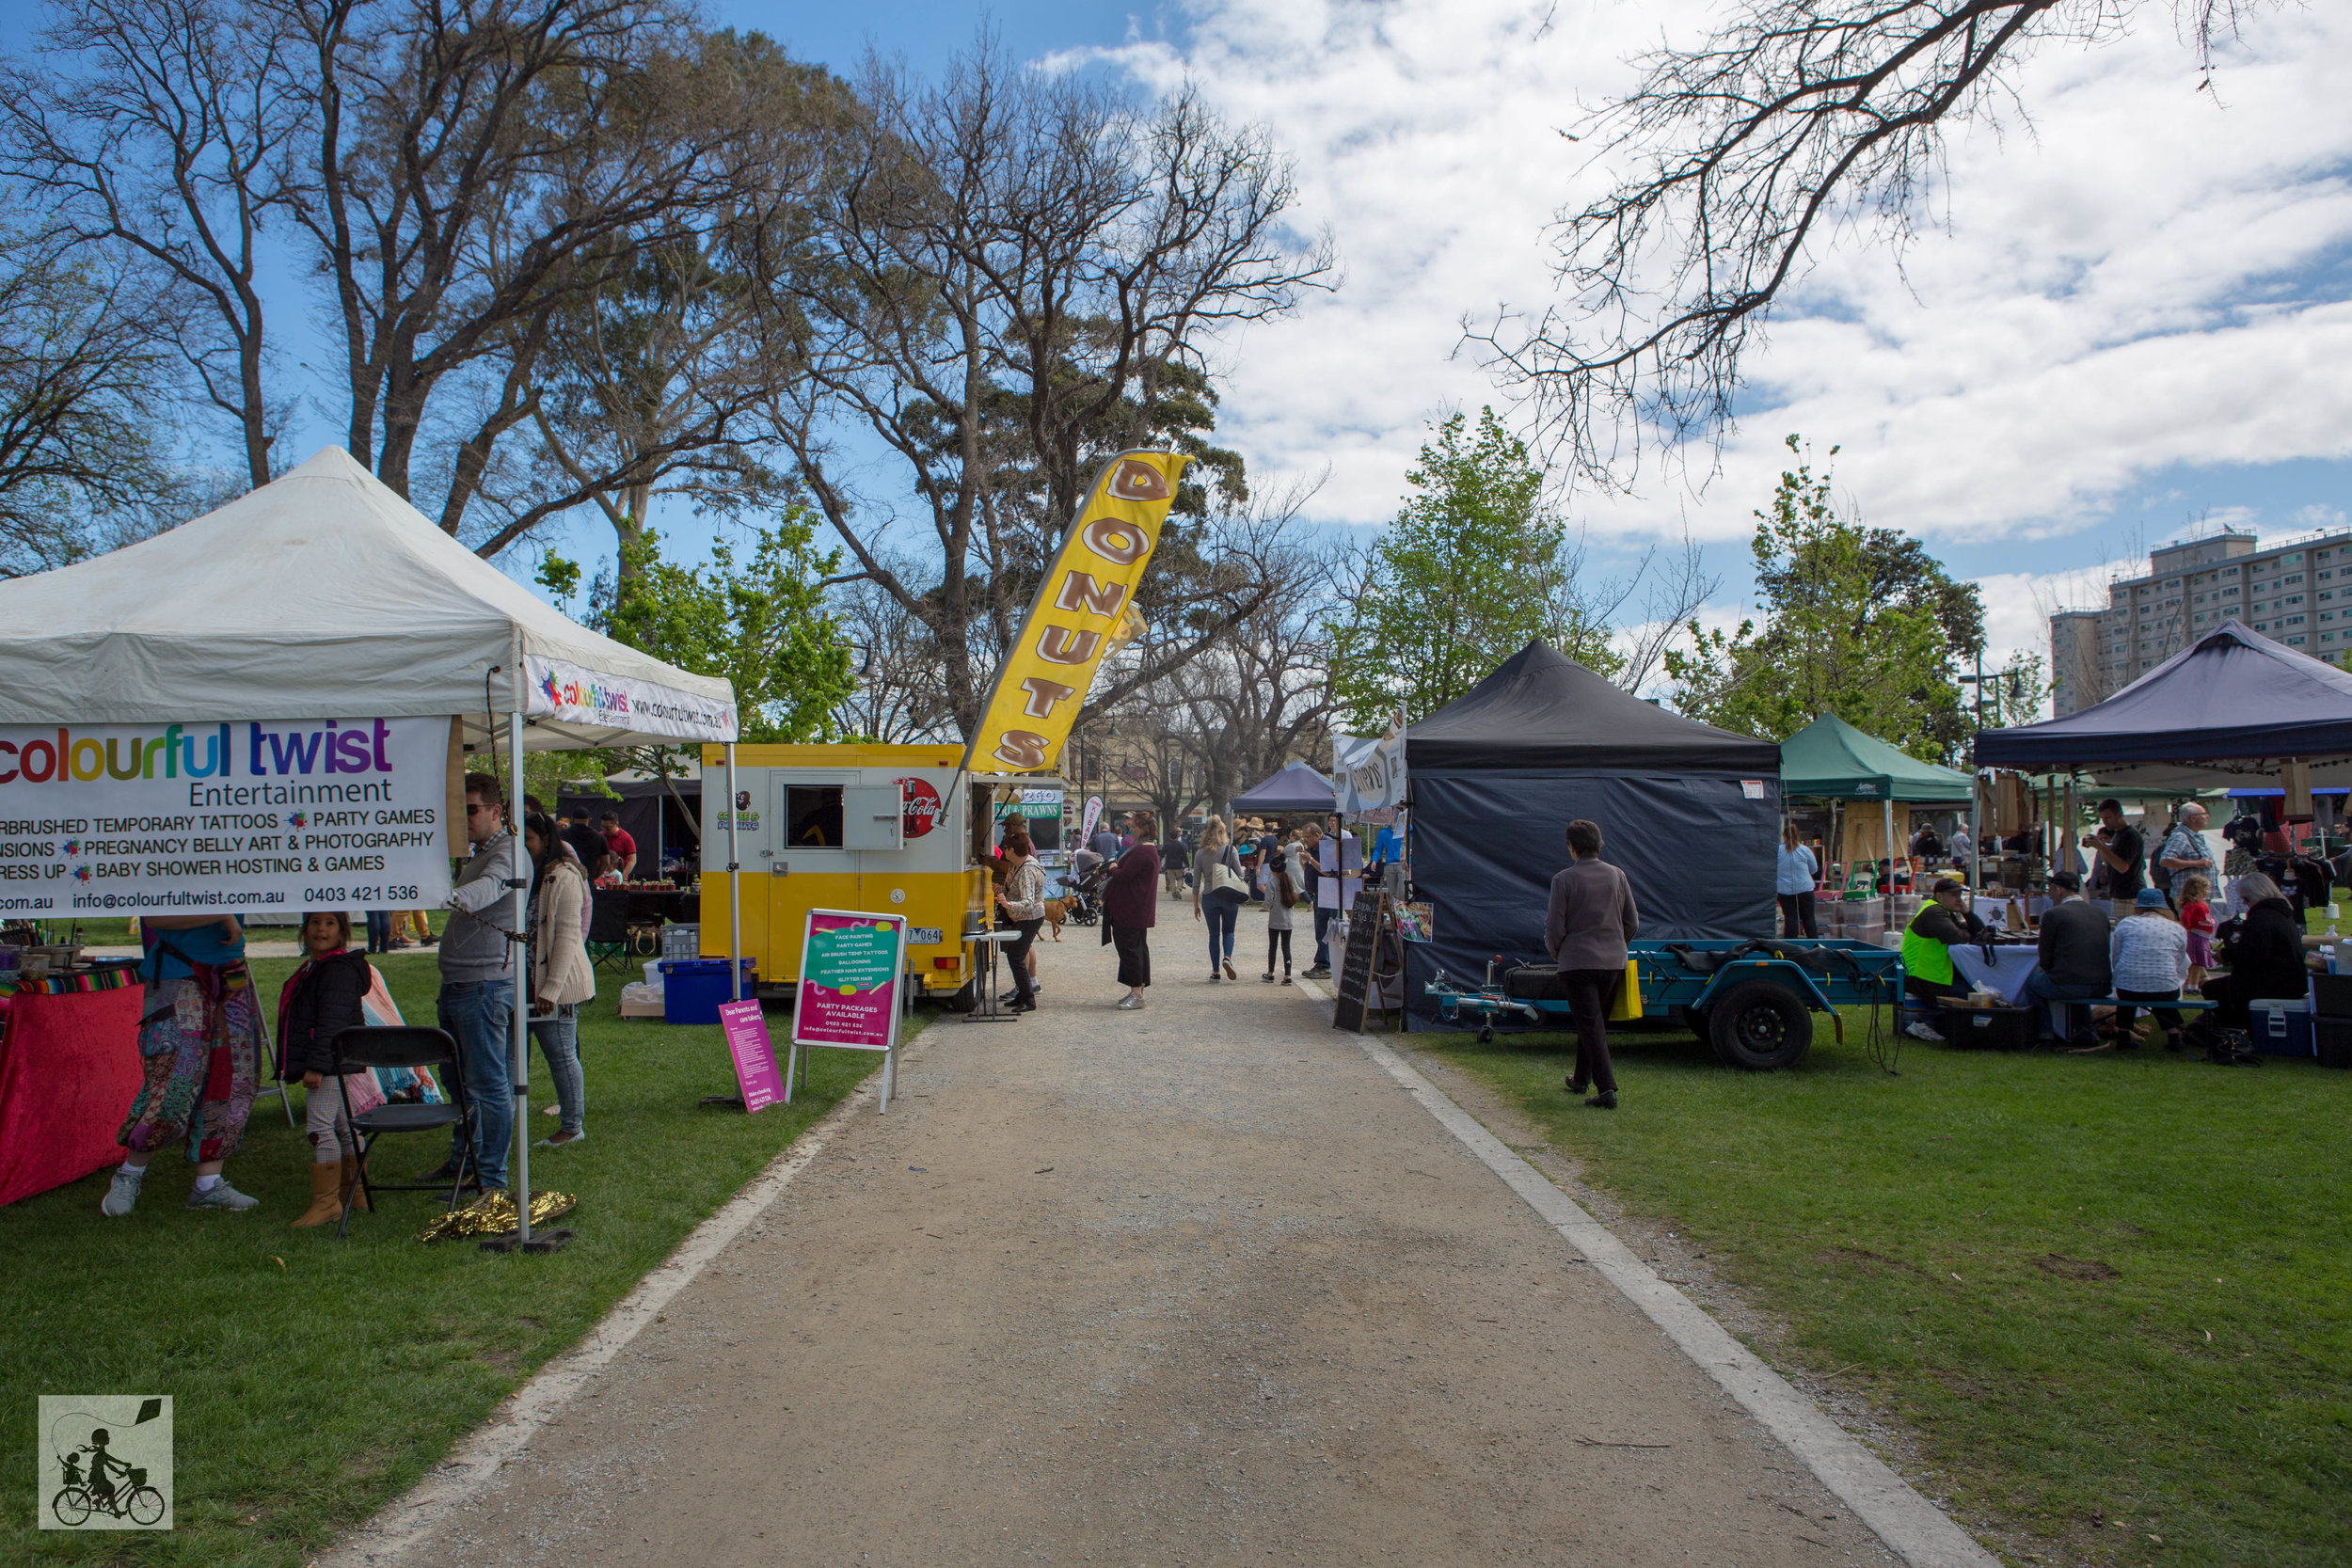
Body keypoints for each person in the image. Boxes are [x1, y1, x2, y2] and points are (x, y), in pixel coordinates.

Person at [101, 910, 265, 1216]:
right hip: (178, 972)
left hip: (230, 972)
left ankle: (208, 1183)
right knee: (174, 1077)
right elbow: (156, 920)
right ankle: (129, 1174)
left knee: (234, 1077)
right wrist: (222, 916)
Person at [423, 773, 525, 1198]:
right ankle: (465, 1159)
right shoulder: (481, 850)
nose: (463, 818)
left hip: (483, 988)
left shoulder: (507, 852)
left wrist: (454, 895)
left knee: (488, 1085)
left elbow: (492, 886)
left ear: (496, 811)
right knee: (461, 1083)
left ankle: (492, 1180)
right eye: (458, 810)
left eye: (470, 809)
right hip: (462, 986)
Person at [276, 911, 373, 1227]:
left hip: (330, 1060)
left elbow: (331, 1023)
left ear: (342, 932)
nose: (321, 929)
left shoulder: (336, 971)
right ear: (304, 929)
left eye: (329, 923)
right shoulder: (319, 967)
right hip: (335, 1058)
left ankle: (326, 1203)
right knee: (344, 1126)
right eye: (314, 923)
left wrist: (317, 1066)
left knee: (319, 1128)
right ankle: (354, 1192)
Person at [1544, 818, 1639, 1110]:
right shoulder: (1618, 876)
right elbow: (1631, 922)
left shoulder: (1564, 879)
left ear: (1572, 847)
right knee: (1594, 1024)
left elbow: (1554, 926)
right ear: (1599, 844)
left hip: (1577, 962)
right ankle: (1581, 1078)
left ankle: (1606, 1088)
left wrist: (1558, 953)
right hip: (1613, 961)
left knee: (1590, 1025)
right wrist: (1618, 944)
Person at [525, 811, 594, 1146]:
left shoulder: (564, 876)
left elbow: (568, 936)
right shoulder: (527, 874)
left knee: (562, 1056)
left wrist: (551, 988)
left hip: (557, 985)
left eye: (529, 840)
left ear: (546, 841)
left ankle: (572, 1126)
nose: (523, 846)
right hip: (524, 982)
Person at [2197, 871, 2307, 1035]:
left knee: (2212, 988)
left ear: (2257, 895)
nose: (2245, 904)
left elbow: (2253, 953)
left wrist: (2226, 955)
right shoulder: (2283, 913)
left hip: (2272, 981)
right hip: (2289, 978)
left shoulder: (2261, 917)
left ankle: (2236, 1029)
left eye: (2246, 899)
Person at [2018, 870, 2111, 1048]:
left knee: (2033, 984)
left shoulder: (2054, 914)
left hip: (2071, 983)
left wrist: (2051, 971)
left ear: (2058, 890)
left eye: (2051, 890)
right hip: (2102, 984)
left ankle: (2045, 1034)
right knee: (2073, 980)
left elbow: (2045, 956)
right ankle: (2085, 1032)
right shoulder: (2100, 913)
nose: (2050, 895)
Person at [1897, 878, 1993, 1042]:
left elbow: (1980, 933)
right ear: (1939, 896)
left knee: (1976, 995)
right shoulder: (1934, 912)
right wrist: (1968, 934)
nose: (1958, 899)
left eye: (1960, 895)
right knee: (1974, 998)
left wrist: (1967, 913)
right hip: (1923, 976)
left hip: (1934, 974)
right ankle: (1924, 1023)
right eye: (1953, 895)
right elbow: (1957, 937)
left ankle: (1932, 1023)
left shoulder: (1944, 912)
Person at [2109, 888, 2189, 1047]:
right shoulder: (2177, 928)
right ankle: (2173, 1036)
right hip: (2164, 985)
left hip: (2128, 986)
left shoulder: (2126, 923)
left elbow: (2116, 955)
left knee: (2127, 992)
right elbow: (2180, 959)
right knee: (2163, 991)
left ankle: (2124, 1035)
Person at [1103, 813, 1160, 1009]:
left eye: (1134, 826)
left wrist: (1112, 867)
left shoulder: (1142, 851)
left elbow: (1123, 875)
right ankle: (1137, 989)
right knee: (1138, 948)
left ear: (1143, 828)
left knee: (1130, 950)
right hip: (1136, 908)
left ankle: (1137, 993)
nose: (1130, 830)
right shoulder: (1147, 850)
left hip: (1131, 909)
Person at [1191, 815, 1248, 982]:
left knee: (1213, 935)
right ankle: (1227, 958)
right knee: (1229, 931)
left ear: (1206, 833)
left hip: (1209, 896)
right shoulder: (1231, 850)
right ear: (1224, 831)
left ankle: (1216, 971)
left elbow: (1195, 882)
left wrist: (1196, 905)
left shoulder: (1200, 853)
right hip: (1228, 894)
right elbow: (1239, 874)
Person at [997, 827, 1046, 1014]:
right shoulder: (1017, 865)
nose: (1003, 850)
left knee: (1016, 957)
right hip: (1024, 918)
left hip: (1030, 918)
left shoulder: (1027, 870)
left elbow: (1027, 902)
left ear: (1012, 850)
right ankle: (1021, 996)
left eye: (1006, 847)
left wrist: (1007, 904)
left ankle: (1028, 999)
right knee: (1015, 955)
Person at [2155, 802, 2215, 905]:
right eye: (2204, 814)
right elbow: (2166, 860)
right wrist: (2197, 863)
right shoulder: (2180, 836)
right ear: (2193, 818)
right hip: (2190, 898)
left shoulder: (2194, 836)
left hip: (2198, 895)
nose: (2207, 816)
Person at [2089, 799, 2146, 900]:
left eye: (2108, 818)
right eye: (2102, 818)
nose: (2105, 822)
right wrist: (2101, 847)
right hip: (2119, 893)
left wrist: (2102, 847)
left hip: (2130, 894)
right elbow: (2108, 863)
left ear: (2119, 815)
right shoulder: (2117, 834)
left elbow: (2123, 867)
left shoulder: (2129, 835)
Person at [1776, 822, 1820, 938]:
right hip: (1805, 888)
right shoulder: (1805, 850)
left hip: (1785, 890)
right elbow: (1814, 869)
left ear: (1784, 836)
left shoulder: (1778, 851)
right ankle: (1814, 944)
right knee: (1809, 918)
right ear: (1798, 835)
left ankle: (1791, 946)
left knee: (1791, 919)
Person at [1300, 823, 1331, 977]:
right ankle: (1321, 961)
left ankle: (1325, 964)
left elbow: (1328, 871)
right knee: (1320, 929)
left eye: (1307, 837)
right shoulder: (1311, 849)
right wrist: (1303, 859)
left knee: (1324, 929)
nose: (1305, 840)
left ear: (1317, 835)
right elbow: (1308, 870)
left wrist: (1311, 859)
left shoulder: (1326, 847)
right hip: (1316, 893)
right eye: (1303, 837)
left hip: (1327, 892)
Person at [1263, 846, 1296, 983]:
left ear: (1272, 870)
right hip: (1288, 920)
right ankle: (1287, 975)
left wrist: (1266, 907)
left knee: (1273, 947)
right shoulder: (1289, 881)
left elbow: (1269, 900)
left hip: (1275, 919)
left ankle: (1270, 973)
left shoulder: (1272, 883)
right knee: (1286, 947)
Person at [2179, 872, 2217, 987]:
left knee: (2199, 963)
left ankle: (2194, 985)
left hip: (2203, 936)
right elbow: (2185, 917)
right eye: (2206, 889)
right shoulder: (2192, 903)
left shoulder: (2202, 903)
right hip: (2196, 936)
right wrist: (2188, 928)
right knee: (2194, 963)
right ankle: (2188, 985)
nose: (2207, 892)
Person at [599, 810, 638, 880]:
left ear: (616, 824)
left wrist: (621, 876)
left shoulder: (626, 838)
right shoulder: (600, 836)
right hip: (601, 877)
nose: (605, 830)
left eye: (608, 828)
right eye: (603, 827)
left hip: (618, 876)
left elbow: (632, 860)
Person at [1161, 823, 1188, 898]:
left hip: (1169, 866)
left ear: (1170, 837)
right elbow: (1184, 855)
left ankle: (1174, 893)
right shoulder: (1181, 845)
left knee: (1171, 880)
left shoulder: (1166, 845)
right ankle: (1179, 889)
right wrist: (1187, 865)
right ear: (1176, 836)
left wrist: (1160, 863)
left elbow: (1162, 854)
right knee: (1180, 878)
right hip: (1179, 865)